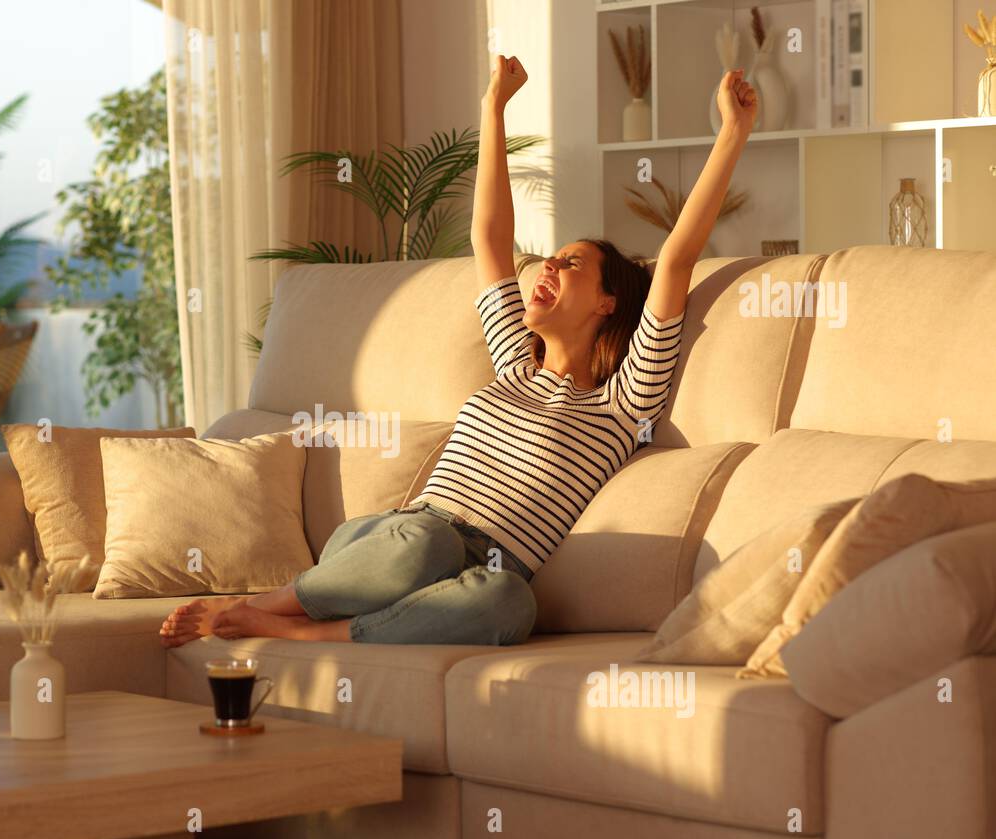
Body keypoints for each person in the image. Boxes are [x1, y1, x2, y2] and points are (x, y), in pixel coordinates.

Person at [160, 55, 758, 648]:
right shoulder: (512, 363)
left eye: (571, 264)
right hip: (394, 545)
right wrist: (492, 108)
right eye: (551, 257)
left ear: (608, 304)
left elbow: (676, 259)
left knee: (509, 601)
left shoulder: (625, 402)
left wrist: (732, 132)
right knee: (430, 542)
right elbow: (489, 237)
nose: (548, 266)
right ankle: (265, 606)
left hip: (479, 576)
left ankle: (324, 635)